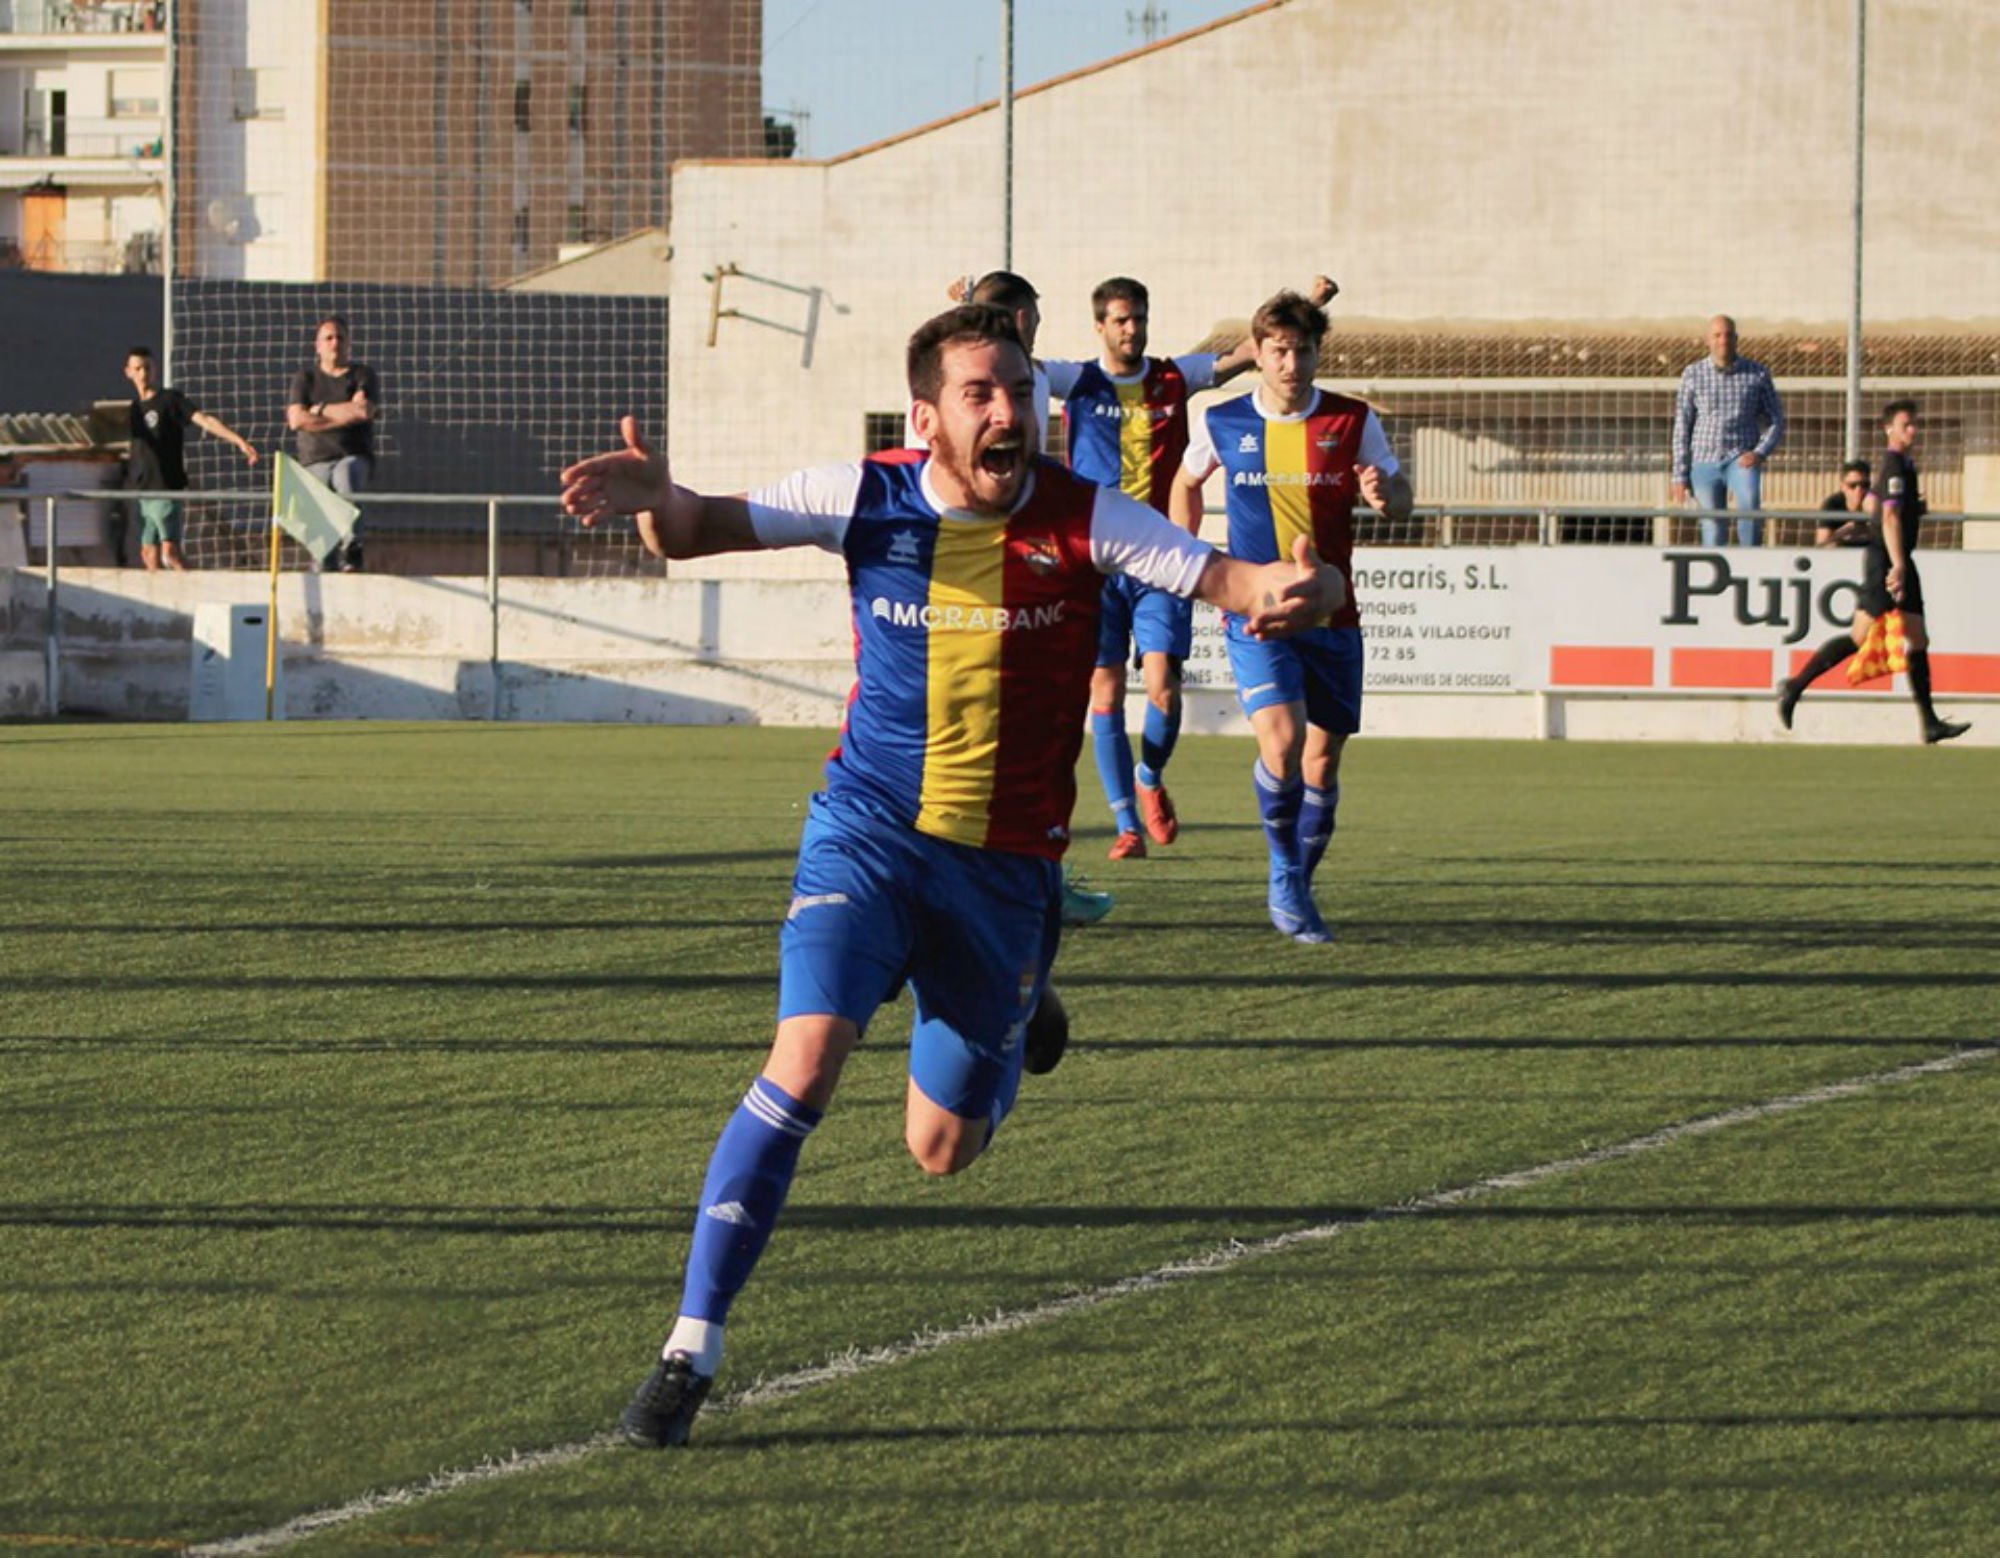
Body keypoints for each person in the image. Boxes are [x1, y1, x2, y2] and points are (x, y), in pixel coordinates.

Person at [560, 303, 1346, 1448]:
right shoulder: (862, 496)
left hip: (1004, 870)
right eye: (980, 392)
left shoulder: (1087, 518)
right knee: (807, 1055)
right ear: (925, 415)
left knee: (941, 1150)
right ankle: (691, 1345)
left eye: (1018, 390)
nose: (1006, 411)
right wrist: (655, 501)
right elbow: (694, 528)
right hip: (869, 834)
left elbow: (1240, 586)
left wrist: (1302, 590)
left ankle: (1023, 993)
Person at [1045, 274, 1337, 860]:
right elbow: (1012, 363)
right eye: (1121, 320)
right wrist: (979, 308)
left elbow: (1248, 353)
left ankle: (1149, 777)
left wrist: (1309, 305)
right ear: (1100, 326)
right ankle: (1126, 826)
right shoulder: (1075, 379)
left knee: (1162, 691)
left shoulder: (1174, 376)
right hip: (1093, 562)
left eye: (1139, 318)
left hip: (1157, 557)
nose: (1132, 329)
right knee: (1102, 693)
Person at [1170, 289, 1412, 944]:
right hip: (1256, 614)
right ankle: (1283, 872)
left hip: (1334, 618)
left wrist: (1386, 493)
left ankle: (1299, 882)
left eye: (1302, 350)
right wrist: (1185, 558)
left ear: (1315, 353)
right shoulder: (1222, 421)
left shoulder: (1352, 420)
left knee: (1322, 763)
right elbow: (1186, 483)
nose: (1291, 363)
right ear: (1260, 353)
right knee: (1280, 739)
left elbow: (1402, 503)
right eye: (1278, 350)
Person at [1778, 400, 1969, 744]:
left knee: (1917, 638)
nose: (1913, 430)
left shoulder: (1905, 465)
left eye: (1914, 424)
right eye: (1906, 424)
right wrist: (1897, 564)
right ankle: (1794, 686)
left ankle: (1929, 723)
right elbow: (1890, 518)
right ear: (1889, 429)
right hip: (1887, 561)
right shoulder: (1894, 465)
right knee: (1859, 638)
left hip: (1899, 559)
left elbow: (1893, 514)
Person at [120, 346, 259, 572]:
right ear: (128, 372)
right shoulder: (134, 409)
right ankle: (160, 602)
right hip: (142, 489)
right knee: (148, 554)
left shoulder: (170, 400)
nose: (143, 374)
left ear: (155, 369)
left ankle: (194, 590)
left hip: (166, 487)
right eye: (138, 369)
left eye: (147, 368)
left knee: (170, 552)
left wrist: (238, 441)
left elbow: (203, 420)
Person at [1670, 314, 1786, 547]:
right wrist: (1680, 474)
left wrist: (1760, 452)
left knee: (1750, 505)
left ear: (1736, 338)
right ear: (1708, 340)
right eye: (1717, 335)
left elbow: (1775, 419)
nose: (1723, 340)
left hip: (1740, 457)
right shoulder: (1693, 374)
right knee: (1712, 526)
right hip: (1704, 461)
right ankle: (1716, 574)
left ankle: (1750, 561)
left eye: (1728, 335)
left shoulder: (1757, 374)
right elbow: (1683, 425)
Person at [285, 315, 379, 571]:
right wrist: (343, 415)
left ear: (349, 343)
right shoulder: (305, 378)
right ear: (318, 345)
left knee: (345, 475)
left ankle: (352, 548)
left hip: (352, 454)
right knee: (322, 530)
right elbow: (296, 419)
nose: (334, 342)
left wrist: (319, 410)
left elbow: (362, 412)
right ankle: (324, 570)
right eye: (328, 338)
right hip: (315, 459)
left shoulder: (362, 375)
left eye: (340, 337)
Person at [1816, 459, 1874, 547]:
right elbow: (1822, 544)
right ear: (1842, 487)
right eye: (1853, 485)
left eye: (1865, 485)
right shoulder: (1832, 504)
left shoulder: (1876, 503)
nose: (1859, 491)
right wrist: (1850, 528)